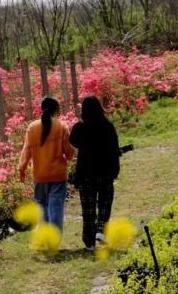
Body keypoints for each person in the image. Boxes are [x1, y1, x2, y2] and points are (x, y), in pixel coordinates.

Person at [69, 96, 121, 251]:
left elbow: (73, 142)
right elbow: (114, 149)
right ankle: (100, 230)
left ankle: (89, 242)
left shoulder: (80, 128)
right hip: (105, 171)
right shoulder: (108, 126)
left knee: (88, 208)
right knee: (105, 203)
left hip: (86, 172)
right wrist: (115, 170)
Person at [19, 97, 75, 233]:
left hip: (40, 174)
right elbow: (69, 152)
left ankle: (44, 236)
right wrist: (69, 156)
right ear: (56, 110)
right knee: (55, 206)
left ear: (41, 108)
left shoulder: (32, 127)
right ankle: (54, 238)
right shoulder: (61, 126)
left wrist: (22, 168)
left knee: (42, 205)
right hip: (58, 175)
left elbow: (26, 150)